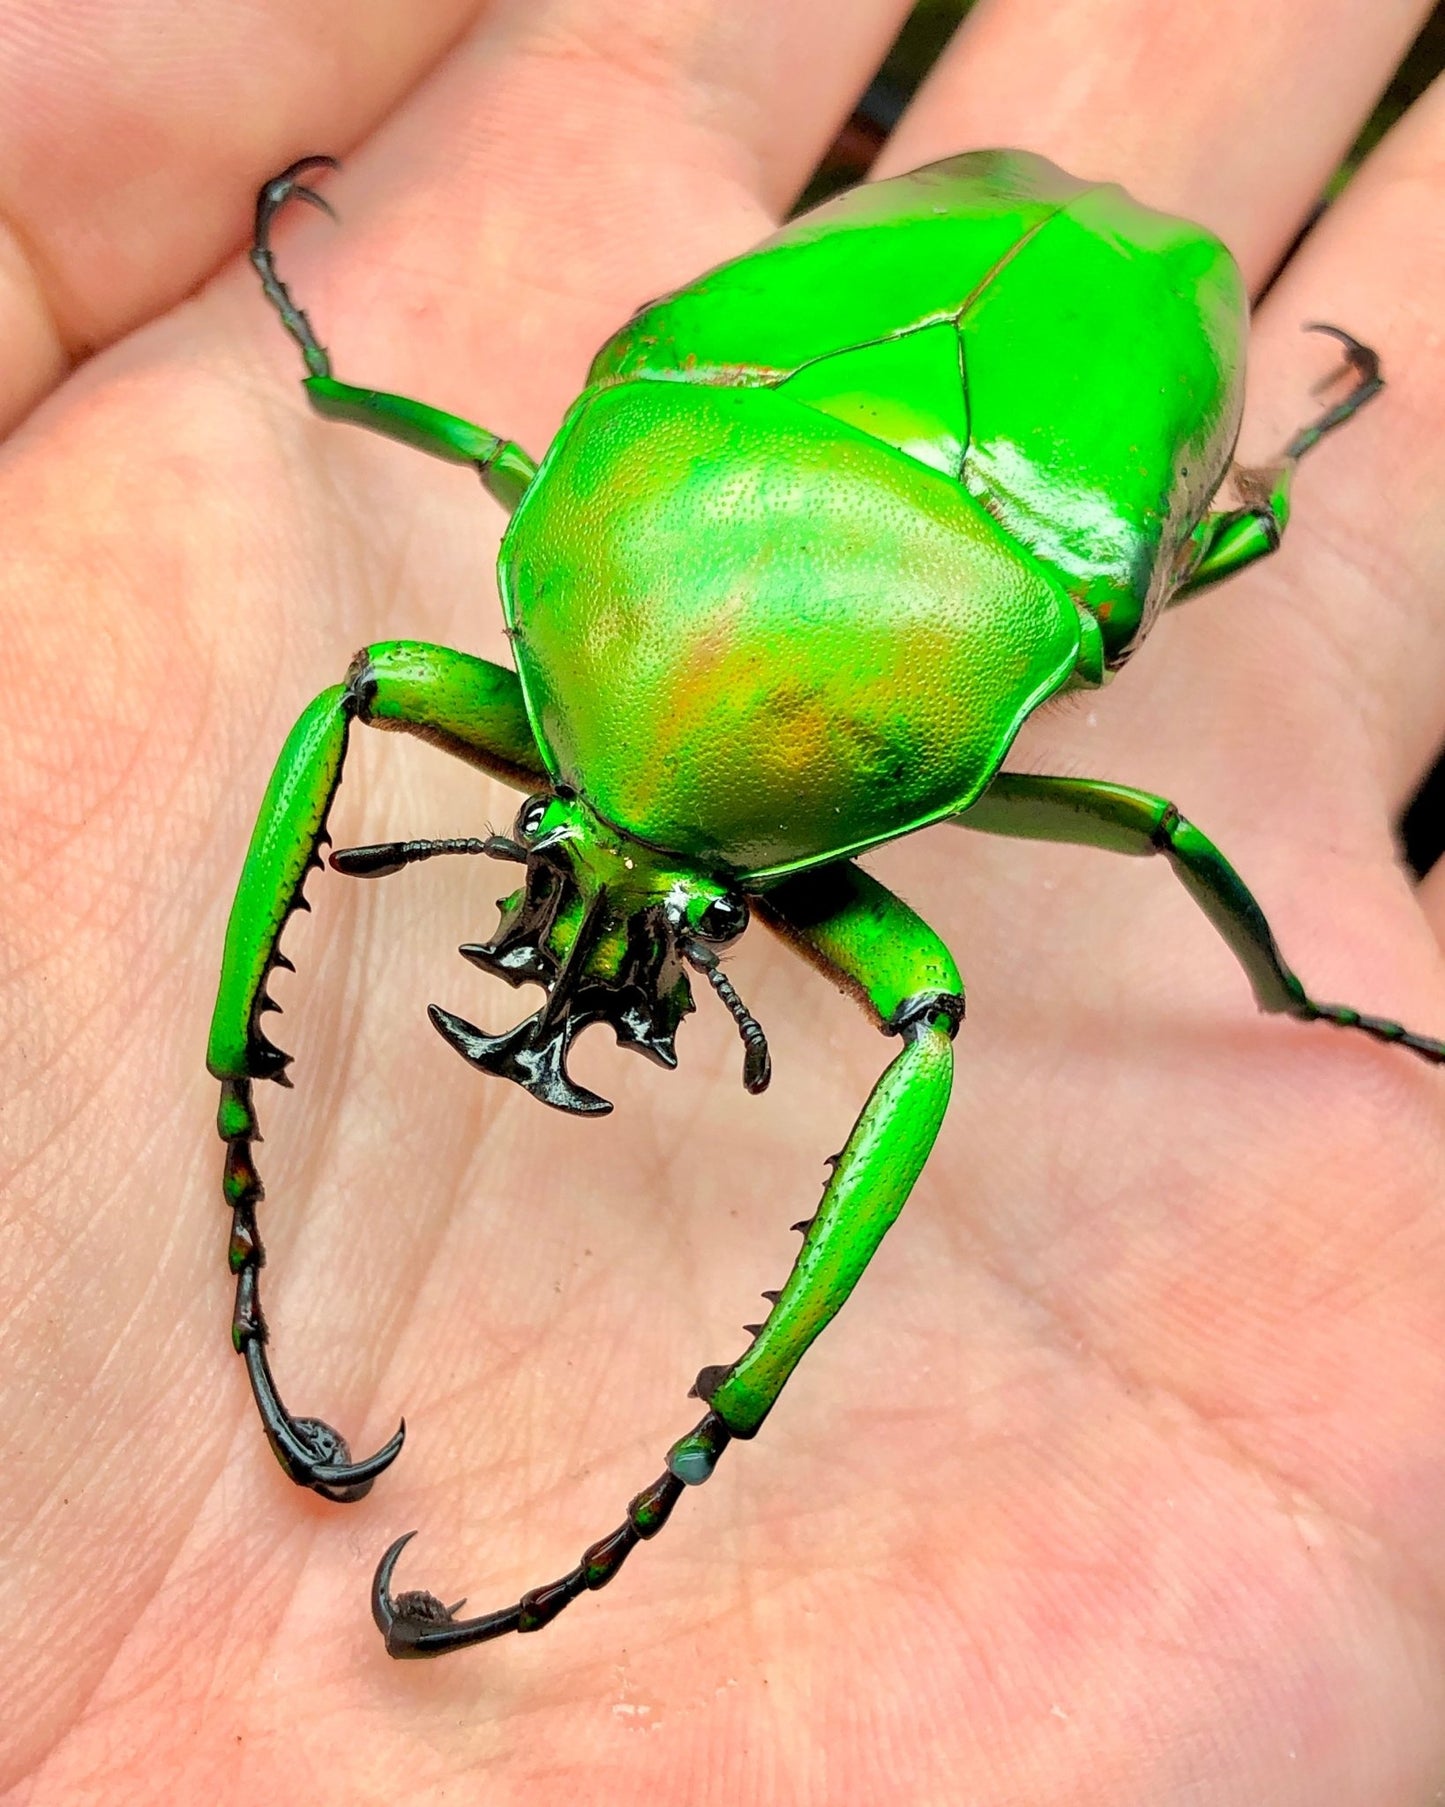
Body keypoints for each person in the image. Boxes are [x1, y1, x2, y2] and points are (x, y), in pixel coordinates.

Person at [3, 0, 1443, 1798]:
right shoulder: (613, 513)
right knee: (433, 706)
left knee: (1037, 849)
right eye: (605, 882)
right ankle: (602, 1358)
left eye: (666, 911)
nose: (581, 942)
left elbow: (421, 588)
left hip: (1015, 373)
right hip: (877, 387)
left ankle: (709, 1422)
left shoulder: (770, 552)